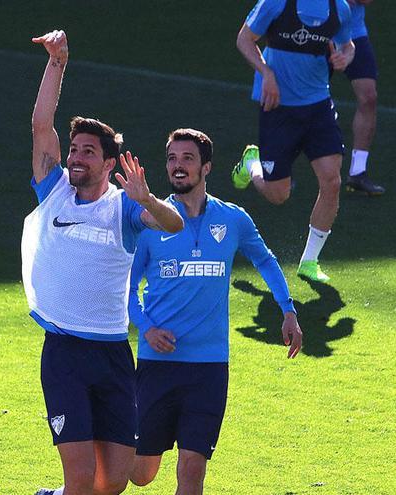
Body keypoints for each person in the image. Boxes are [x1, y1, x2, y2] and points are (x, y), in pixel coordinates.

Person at [24, 30, 184, 495]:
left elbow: (173, 226)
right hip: (65, 354)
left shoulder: (124, 208)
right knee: (79, 479)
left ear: (110, 163)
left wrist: (148, 198)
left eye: (87, 151)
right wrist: (57, 63)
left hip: (114, 354)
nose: (74, 158)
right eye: (73, 149)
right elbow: (40, 127)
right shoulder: (53, 191)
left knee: (111, 482)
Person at [128, 129, 303, 495]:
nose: (178, 166)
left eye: (187, 159)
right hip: (157, 365)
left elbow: (266, 261)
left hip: (209, 368)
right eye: (172, 159)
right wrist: (145, 327)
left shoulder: (234, 219)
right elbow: (127, 288)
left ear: (206, 167)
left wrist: (287, 310)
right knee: (140, 474)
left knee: (192, 471)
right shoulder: (149, 222)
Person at [232, 0, 356, 283]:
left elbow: (348, 45)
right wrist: (267, 73)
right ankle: (253, 164)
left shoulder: (340, 9)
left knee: (332, 181)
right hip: (278, 107)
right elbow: (244, 39)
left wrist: (345, 57)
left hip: (318, 105)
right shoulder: (276, 3)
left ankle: (309, 261)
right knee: (279, 195)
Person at [339, 0, 385, 195]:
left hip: (353, 31)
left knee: (369, 97)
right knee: (300, 98)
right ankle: (280, 167)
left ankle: (357, 173)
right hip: (317, 28)